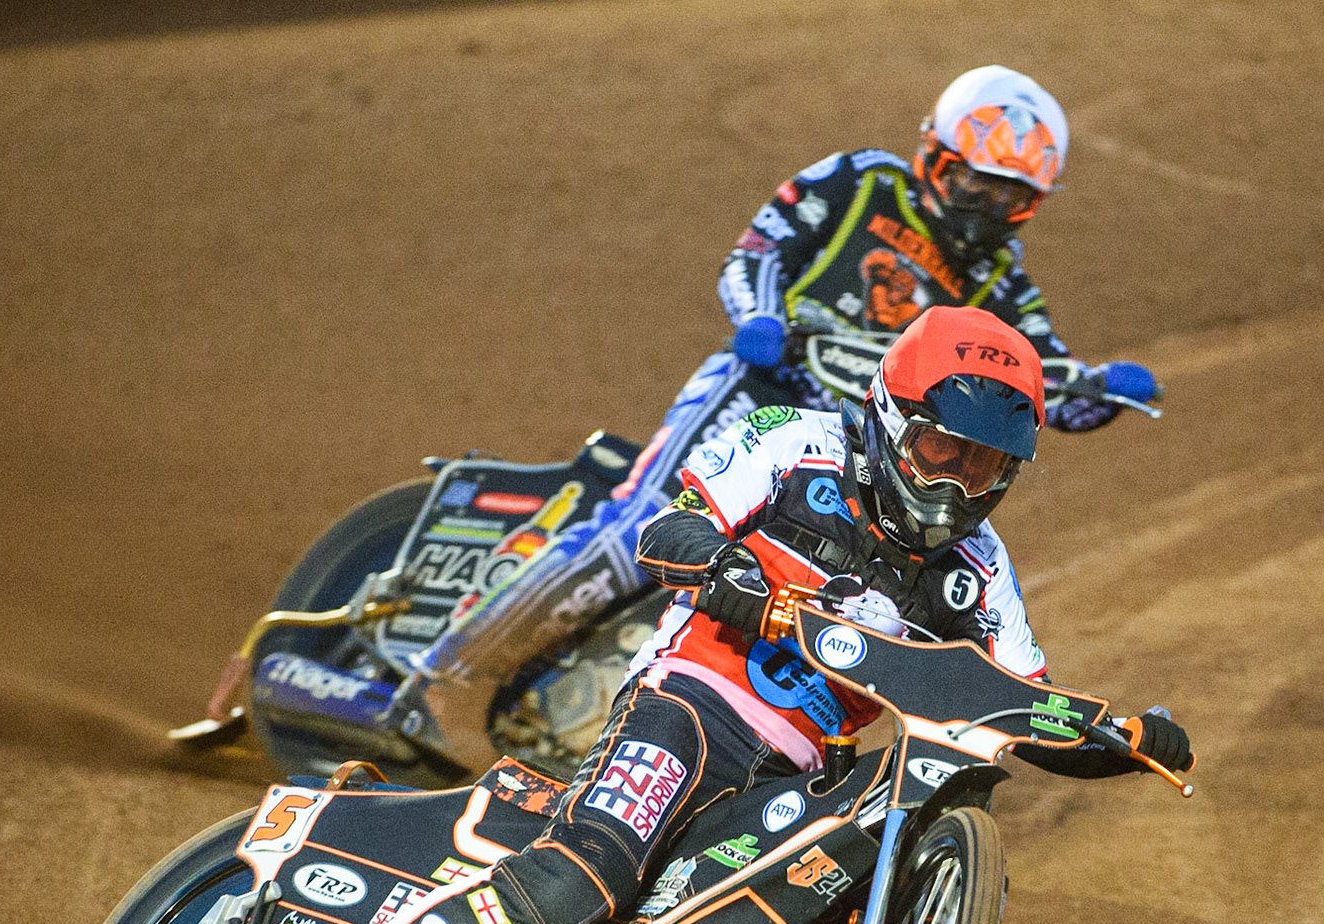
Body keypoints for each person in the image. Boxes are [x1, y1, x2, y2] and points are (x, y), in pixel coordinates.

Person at [324, 307, 1194, 924]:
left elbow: (1022, 704)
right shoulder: (793, 442)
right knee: (585, 876)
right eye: (943, 451)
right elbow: (670, 529)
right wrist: (727, 571)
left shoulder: (982, 567)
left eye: (985, 467)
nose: (957, 486)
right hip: (689, 707)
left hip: (796, 776)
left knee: (907, 920)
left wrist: (1124, 742)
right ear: (890, 417)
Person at [389, 64, 1159, 723]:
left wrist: (1102, 393)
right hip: (760, 392)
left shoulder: (1003, 285)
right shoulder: (861, 183)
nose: (986, 210)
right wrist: (760, 317)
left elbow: (1040, 386)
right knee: (640, 530)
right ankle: (447, 681)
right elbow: (757, 251)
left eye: (1012, 198)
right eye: (975, 184)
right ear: (935, 156)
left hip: (859, 452)